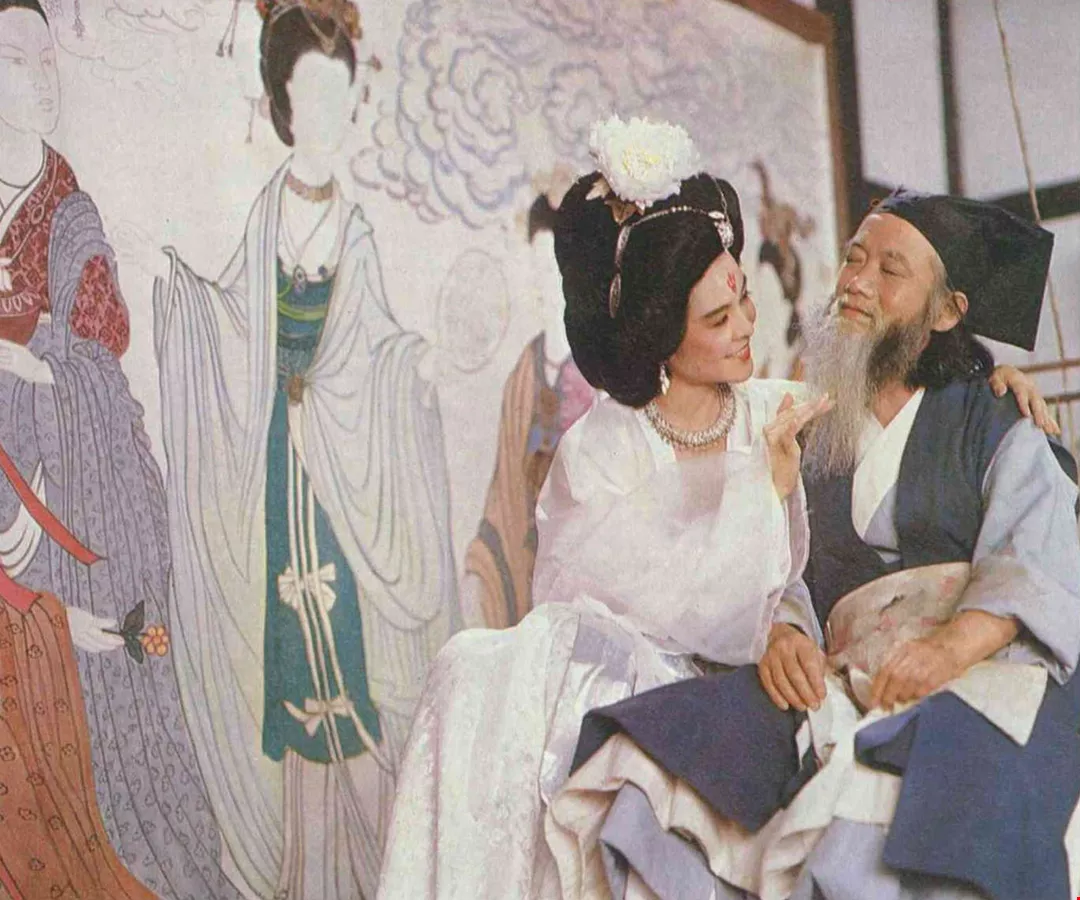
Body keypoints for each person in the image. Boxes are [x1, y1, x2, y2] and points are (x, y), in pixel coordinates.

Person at [551, 188, 1080, 900]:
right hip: (842, 676)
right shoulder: (808, 423)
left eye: (890, 270)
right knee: (666, 748)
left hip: (984, 662)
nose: (857, 281)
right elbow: (786, 562)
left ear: (947, 312)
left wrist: (948, 648)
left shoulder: (994, 418)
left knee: (949, 797)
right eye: (854, 258)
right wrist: (783, 632)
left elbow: (1035, 554)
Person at [375, 113, 845, 898]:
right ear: (662, 336)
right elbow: (615, 600)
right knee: (480, 668)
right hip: (642, 672)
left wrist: (788, 625)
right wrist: (762, 494)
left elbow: (793, 565)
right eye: (717, 319)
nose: (746, 328)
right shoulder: (602, 445)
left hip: (742, 680)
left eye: (742, 299)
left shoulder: (775, 409)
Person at [154, 1, 458, 896]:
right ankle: (307, 873)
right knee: (292, 661)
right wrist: (189, 305)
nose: (326, 118)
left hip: (341, 471)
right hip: (278, 464)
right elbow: (237, 320)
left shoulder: (356, 229)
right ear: (282, 106)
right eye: (309, 99)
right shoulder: (268, 211)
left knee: (346, 661)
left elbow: (377, 343)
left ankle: (383, 866)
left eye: (339, 99)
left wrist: (410, 366)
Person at [0, 2, 241, 897]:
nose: (39, 79)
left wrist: (30, 354)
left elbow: (100, 354)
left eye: (46, 60)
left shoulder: (70, 217)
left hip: (75, 500)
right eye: (14, 60)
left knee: (110, 723)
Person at [460, 192, 594, 630]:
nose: (543, 285)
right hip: (529, 567)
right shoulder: (522, 374)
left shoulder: (601, 373)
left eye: (553, 271)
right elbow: (504, 494)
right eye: (536, 270)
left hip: (589, 572)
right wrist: (481, 561)